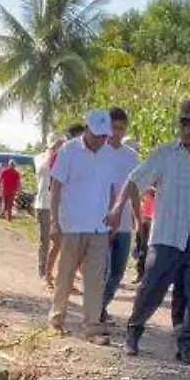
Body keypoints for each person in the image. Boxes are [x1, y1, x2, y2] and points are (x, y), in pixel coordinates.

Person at [117, 98, 190, 364]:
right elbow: (135, 181)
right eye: (185, 124)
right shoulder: (165, 154)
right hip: (167, 236)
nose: (189, 130)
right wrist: (121, 212)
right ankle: (134, 332)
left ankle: (186, 346)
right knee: (151, 289)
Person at [47, 110, 126, 344]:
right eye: (97, 135)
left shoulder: (109, 155)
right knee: (66, 275)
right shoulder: (69, 151)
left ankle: (92, 328)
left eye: (105, 136)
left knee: (95, 279)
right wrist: (54, 221)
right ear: (88, 130)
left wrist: (113, 215)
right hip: (72, 224)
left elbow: (112, 189)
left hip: (99, 227)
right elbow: (56, 188)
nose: (101, 140)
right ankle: (56, 321)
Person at [97, 107, 140, 324]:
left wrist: (139, 220)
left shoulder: (132, 157)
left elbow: (135, 190)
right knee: (100, 269)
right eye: (113, 127)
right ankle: (95, 309)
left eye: (121, 128)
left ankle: (101, 305)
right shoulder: (98, 152)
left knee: (118, 271)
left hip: (123, 223)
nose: (116, 132)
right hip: (100, 221)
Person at [33, 131, 62, 283]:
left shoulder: (63, 158)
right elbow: (44, 170)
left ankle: (51, 271)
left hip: (58, 205)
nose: (58, 147)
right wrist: (52, 155)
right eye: (56, 144)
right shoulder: (40, 158)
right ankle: (42, 269)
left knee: (59, 240)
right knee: (44, 239)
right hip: (43, 204)